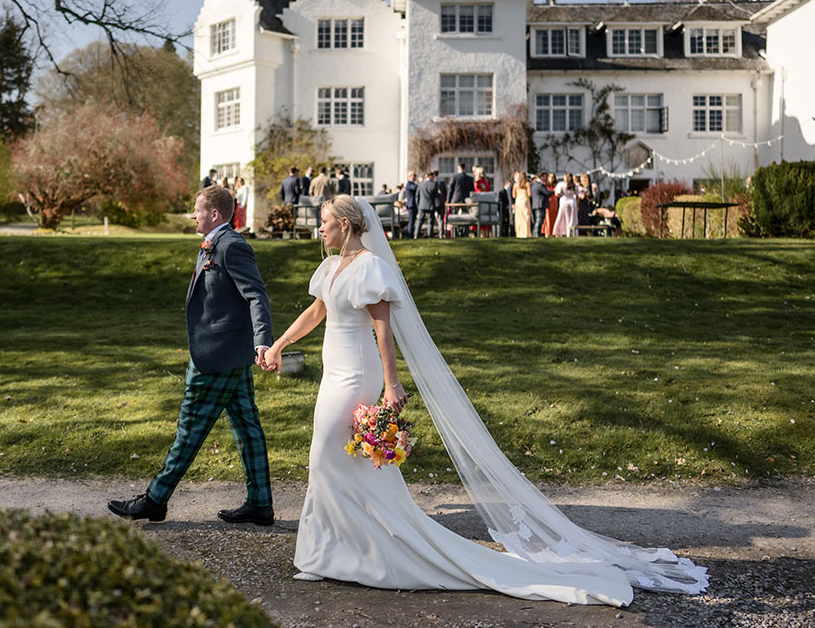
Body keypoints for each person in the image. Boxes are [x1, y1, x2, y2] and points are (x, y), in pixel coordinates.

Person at [259, 195, 707, 603]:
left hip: (356, 374)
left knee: (325, 457)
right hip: (331, 372)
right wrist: (278, 346)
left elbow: (382, 328)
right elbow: (316, 311)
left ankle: (357, 553)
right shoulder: (331, 267)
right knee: (333, 463)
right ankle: (328, 553)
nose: (319, 229)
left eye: (324, 223)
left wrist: (392, 384)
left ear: (345, 224)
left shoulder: (370, 267)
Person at [109, 185, 275, 526]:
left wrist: (262, 343)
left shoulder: (231, 246)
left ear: (214, 214)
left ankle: (155, 499)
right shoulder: (212, 244)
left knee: (190, 427)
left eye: (197, 209)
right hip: (226, 353)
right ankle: (260, 504)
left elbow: (257, 296)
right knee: (247, 427)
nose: (192, 214)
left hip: (216, 356)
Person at [415, 170, 440, 238]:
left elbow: (417, 196)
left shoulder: (420, 184)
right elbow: (436, 195)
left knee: (419, 221)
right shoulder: (434, 184)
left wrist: (418, 205)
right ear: (430, 176)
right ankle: (429, 235)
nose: (434, 178)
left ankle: (416, 235)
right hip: (430, 205)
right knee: (430, 222)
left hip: (422, 205)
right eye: (433, 177)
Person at [552, 173, 578, 237]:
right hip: (572, 202)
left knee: (562, 217)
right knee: (572, 219)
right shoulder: (574, 185)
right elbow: (577, 195)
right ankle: (571, 232)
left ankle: (560, 231)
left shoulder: (561, 184)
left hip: (564, 202)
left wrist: (562, 194)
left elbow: (557, 193)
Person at [530, 174, 552, 238]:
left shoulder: (533, 185)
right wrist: (553, 191)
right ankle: (536, 234)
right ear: (541, 177)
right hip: (540, 205)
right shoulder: (540, 185)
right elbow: (547, 192)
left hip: (535, 205)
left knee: (537, 220)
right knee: (539, 220)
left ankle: (536, 233)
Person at [512, 172, 531, 238]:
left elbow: (514, 195)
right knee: (526, 217)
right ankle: (526, 234)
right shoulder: (527, 184)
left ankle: (519, 234)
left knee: (519, 219)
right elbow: (529, 194)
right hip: (525, 200)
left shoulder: (515, 185)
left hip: (518, 201)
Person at [403, 171, 419, 239]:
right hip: (411, 205)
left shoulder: (411, 184)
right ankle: (409, 235)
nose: (415, 177)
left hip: (412, 205)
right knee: (411, 221)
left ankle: (410, 234)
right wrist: (419, 182)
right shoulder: (409, 184)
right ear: (410, 176)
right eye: (414, 175)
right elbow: (415, 187)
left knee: (412, 221)